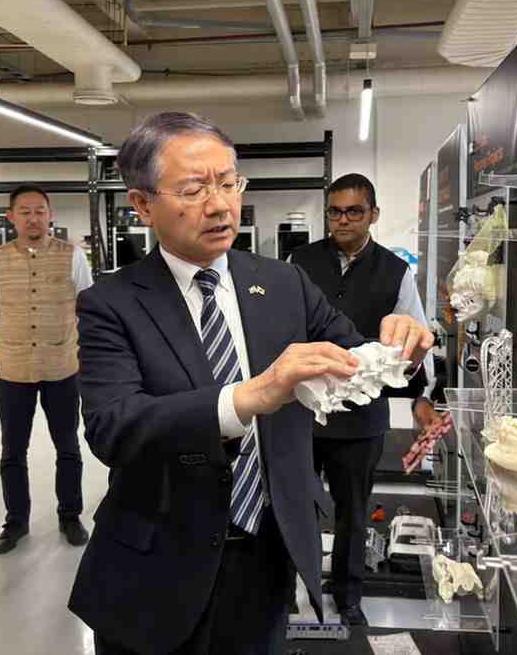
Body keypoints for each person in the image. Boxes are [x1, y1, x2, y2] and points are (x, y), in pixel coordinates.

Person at [69, 112, 433, 654]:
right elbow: (113, 427)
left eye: (228, 183)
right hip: (158, 567)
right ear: (142, 204)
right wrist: (249, 397)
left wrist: (399, 348)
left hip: (268, 554)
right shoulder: (111, 303)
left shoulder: (283, 282)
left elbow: (354, 357)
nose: (219, 205)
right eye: (193, 189)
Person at [289, 173, 438, 626]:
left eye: (354, 211)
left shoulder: (395, 271)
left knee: (353, 513)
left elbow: (414, 342)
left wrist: (422, 398)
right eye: (334, 211)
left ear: (373, 214)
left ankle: (349, 597)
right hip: (302, 412)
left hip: (361, 419)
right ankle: (289, 591)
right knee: (294, 507)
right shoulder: (299, 261)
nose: (343, 220)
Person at [0, 185, 93, 554]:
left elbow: (87, 305)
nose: (33, 218)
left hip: (62, 368)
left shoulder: (73, 256)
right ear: (11, 217)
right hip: (13, 371)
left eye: (40, 211)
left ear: (50, 215)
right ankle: (16, 522)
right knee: (13, 450)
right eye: (24, 212)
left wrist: (69, 344)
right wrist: (11, 343)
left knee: (68, 446)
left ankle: (70, 516)